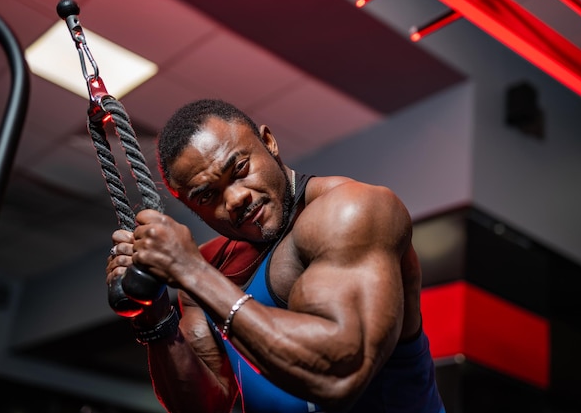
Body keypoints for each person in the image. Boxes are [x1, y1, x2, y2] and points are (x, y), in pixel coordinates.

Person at [106, 99, 446, 413]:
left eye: (239, 169)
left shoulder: (352, 210)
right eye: (208, 195)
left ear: (268, 142)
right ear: (192, 208)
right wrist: (156, 315)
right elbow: (205, 407)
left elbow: (340, 374)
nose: (236, 197)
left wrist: (190, 271)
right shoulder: (211, 267)